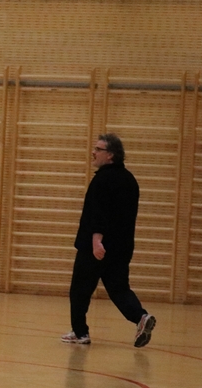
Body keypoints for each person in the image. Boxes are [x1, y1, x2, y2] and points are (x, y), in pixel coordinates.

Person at [62, 133, 155, 347]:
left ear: (110, 155)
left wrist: (97, 240)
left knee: (80, 289)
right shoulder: (130, 180)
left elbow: (99, 213)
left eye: (98, 149)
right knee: (119, 288)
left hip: (97, 246)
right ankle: (141, 317)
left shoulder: (102, 180)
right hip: (121, 247)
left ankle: (80, 332)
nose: (93, 152)